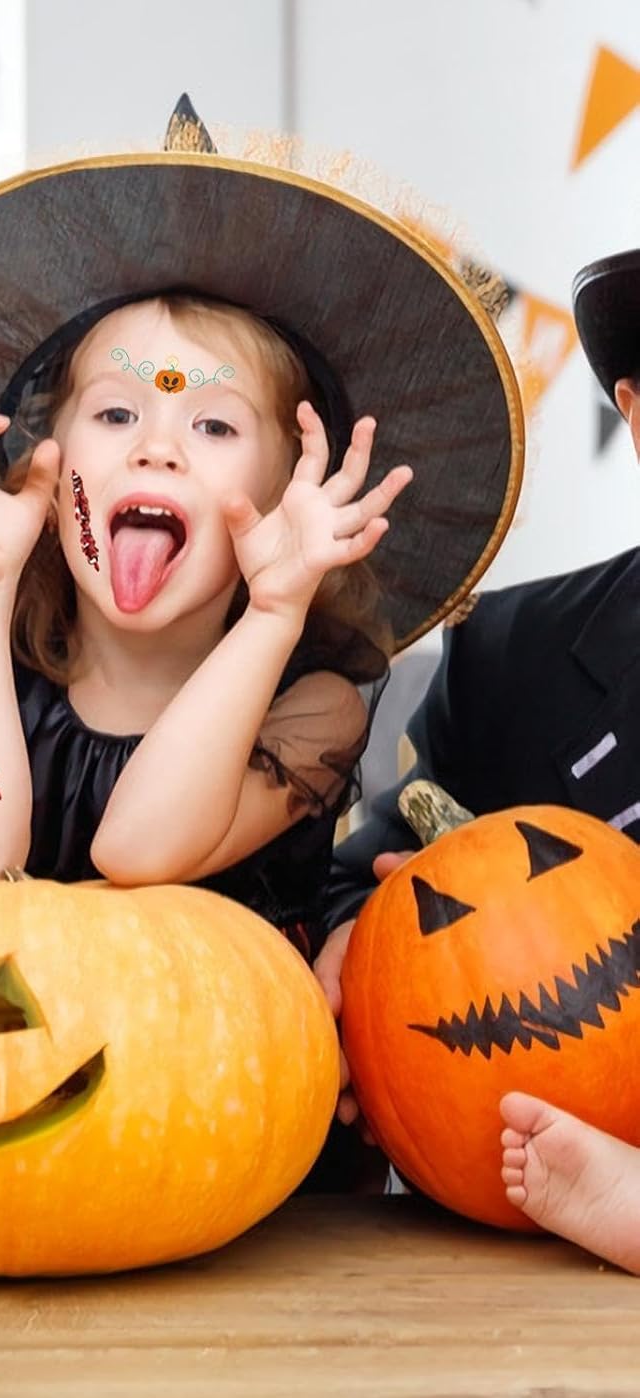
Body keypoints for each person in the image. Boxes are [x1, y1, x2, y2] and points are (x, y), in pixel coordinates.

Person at [0, 95, 522, 963]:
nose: (156, 448)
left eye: (214, 426)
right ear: (48, 468)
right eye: (115, 415)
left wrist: (274, 614)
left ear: (282, 499)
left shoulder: (311, 713)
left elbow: (139, 850)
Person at [317, 247, 640, 1270]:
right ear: (638, 417)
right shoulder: (514, 655)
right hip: (527, 1234)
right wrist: (369, 946)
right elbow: (360, 868)